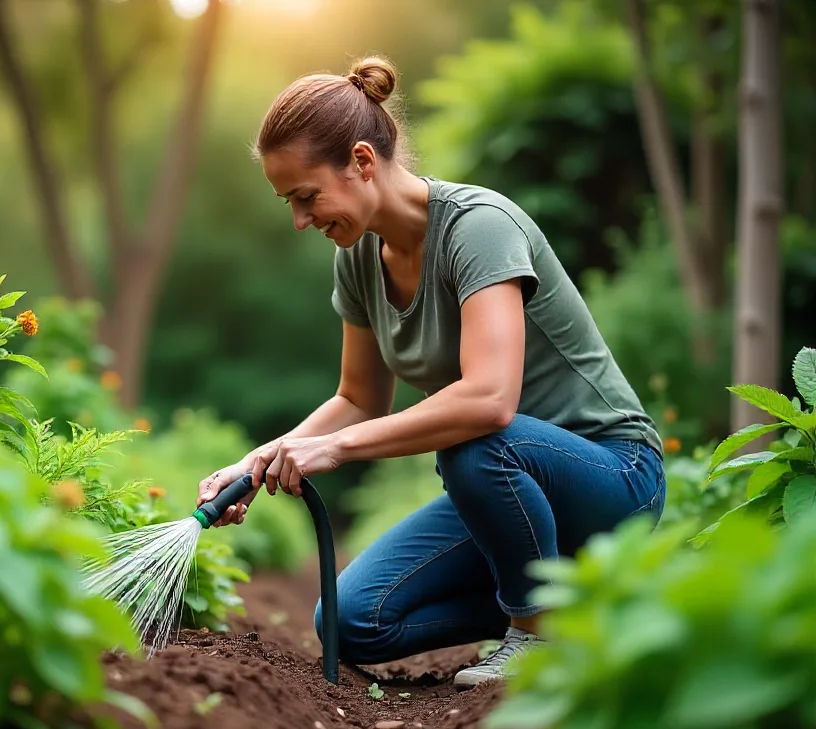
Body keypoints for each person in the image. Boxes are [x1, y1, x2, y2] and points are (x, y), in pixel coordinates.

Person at [195, 56, 665, 688]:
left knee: (472, 443)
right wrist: (261, 460)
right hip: (512, 490)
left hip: (611, 475)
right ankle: (569, 603)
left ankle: (537, 636)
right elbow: (359, 398)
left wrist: (333, 450)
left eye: (307, 198)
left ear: (362, 162)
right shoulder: (358, 258)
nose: (300, 220)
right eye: (290, 203)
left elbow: (489, 401)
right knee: (352, 621)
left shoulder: (479, 229)